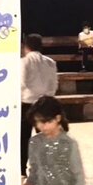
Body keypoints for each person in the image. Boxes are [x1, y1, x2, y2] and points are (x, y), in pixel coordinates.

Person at [20, 33, 58, 176]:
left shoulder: (24, 62)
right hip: (45, 103)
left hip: (27, 103)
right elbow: (54, 85)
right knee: (46, 137)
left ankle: (22, 169)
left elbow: (22, 83)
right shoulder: (50, 62)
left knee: (24, 138)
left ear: (26, 47)